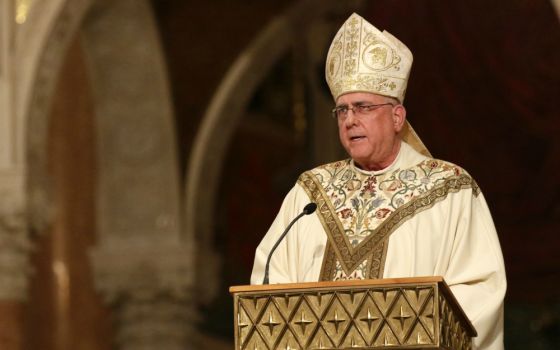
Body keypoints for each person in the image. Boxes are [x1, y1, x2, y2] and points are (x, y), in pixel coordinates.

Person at [251, 13, 506, 350]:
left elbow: (479, 291)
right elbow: (271, 283)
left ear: (397, 116)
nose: (350, 120)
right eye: (342, 110)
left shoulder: (450, 190)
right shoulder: (310, 193)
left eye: (363, 107)